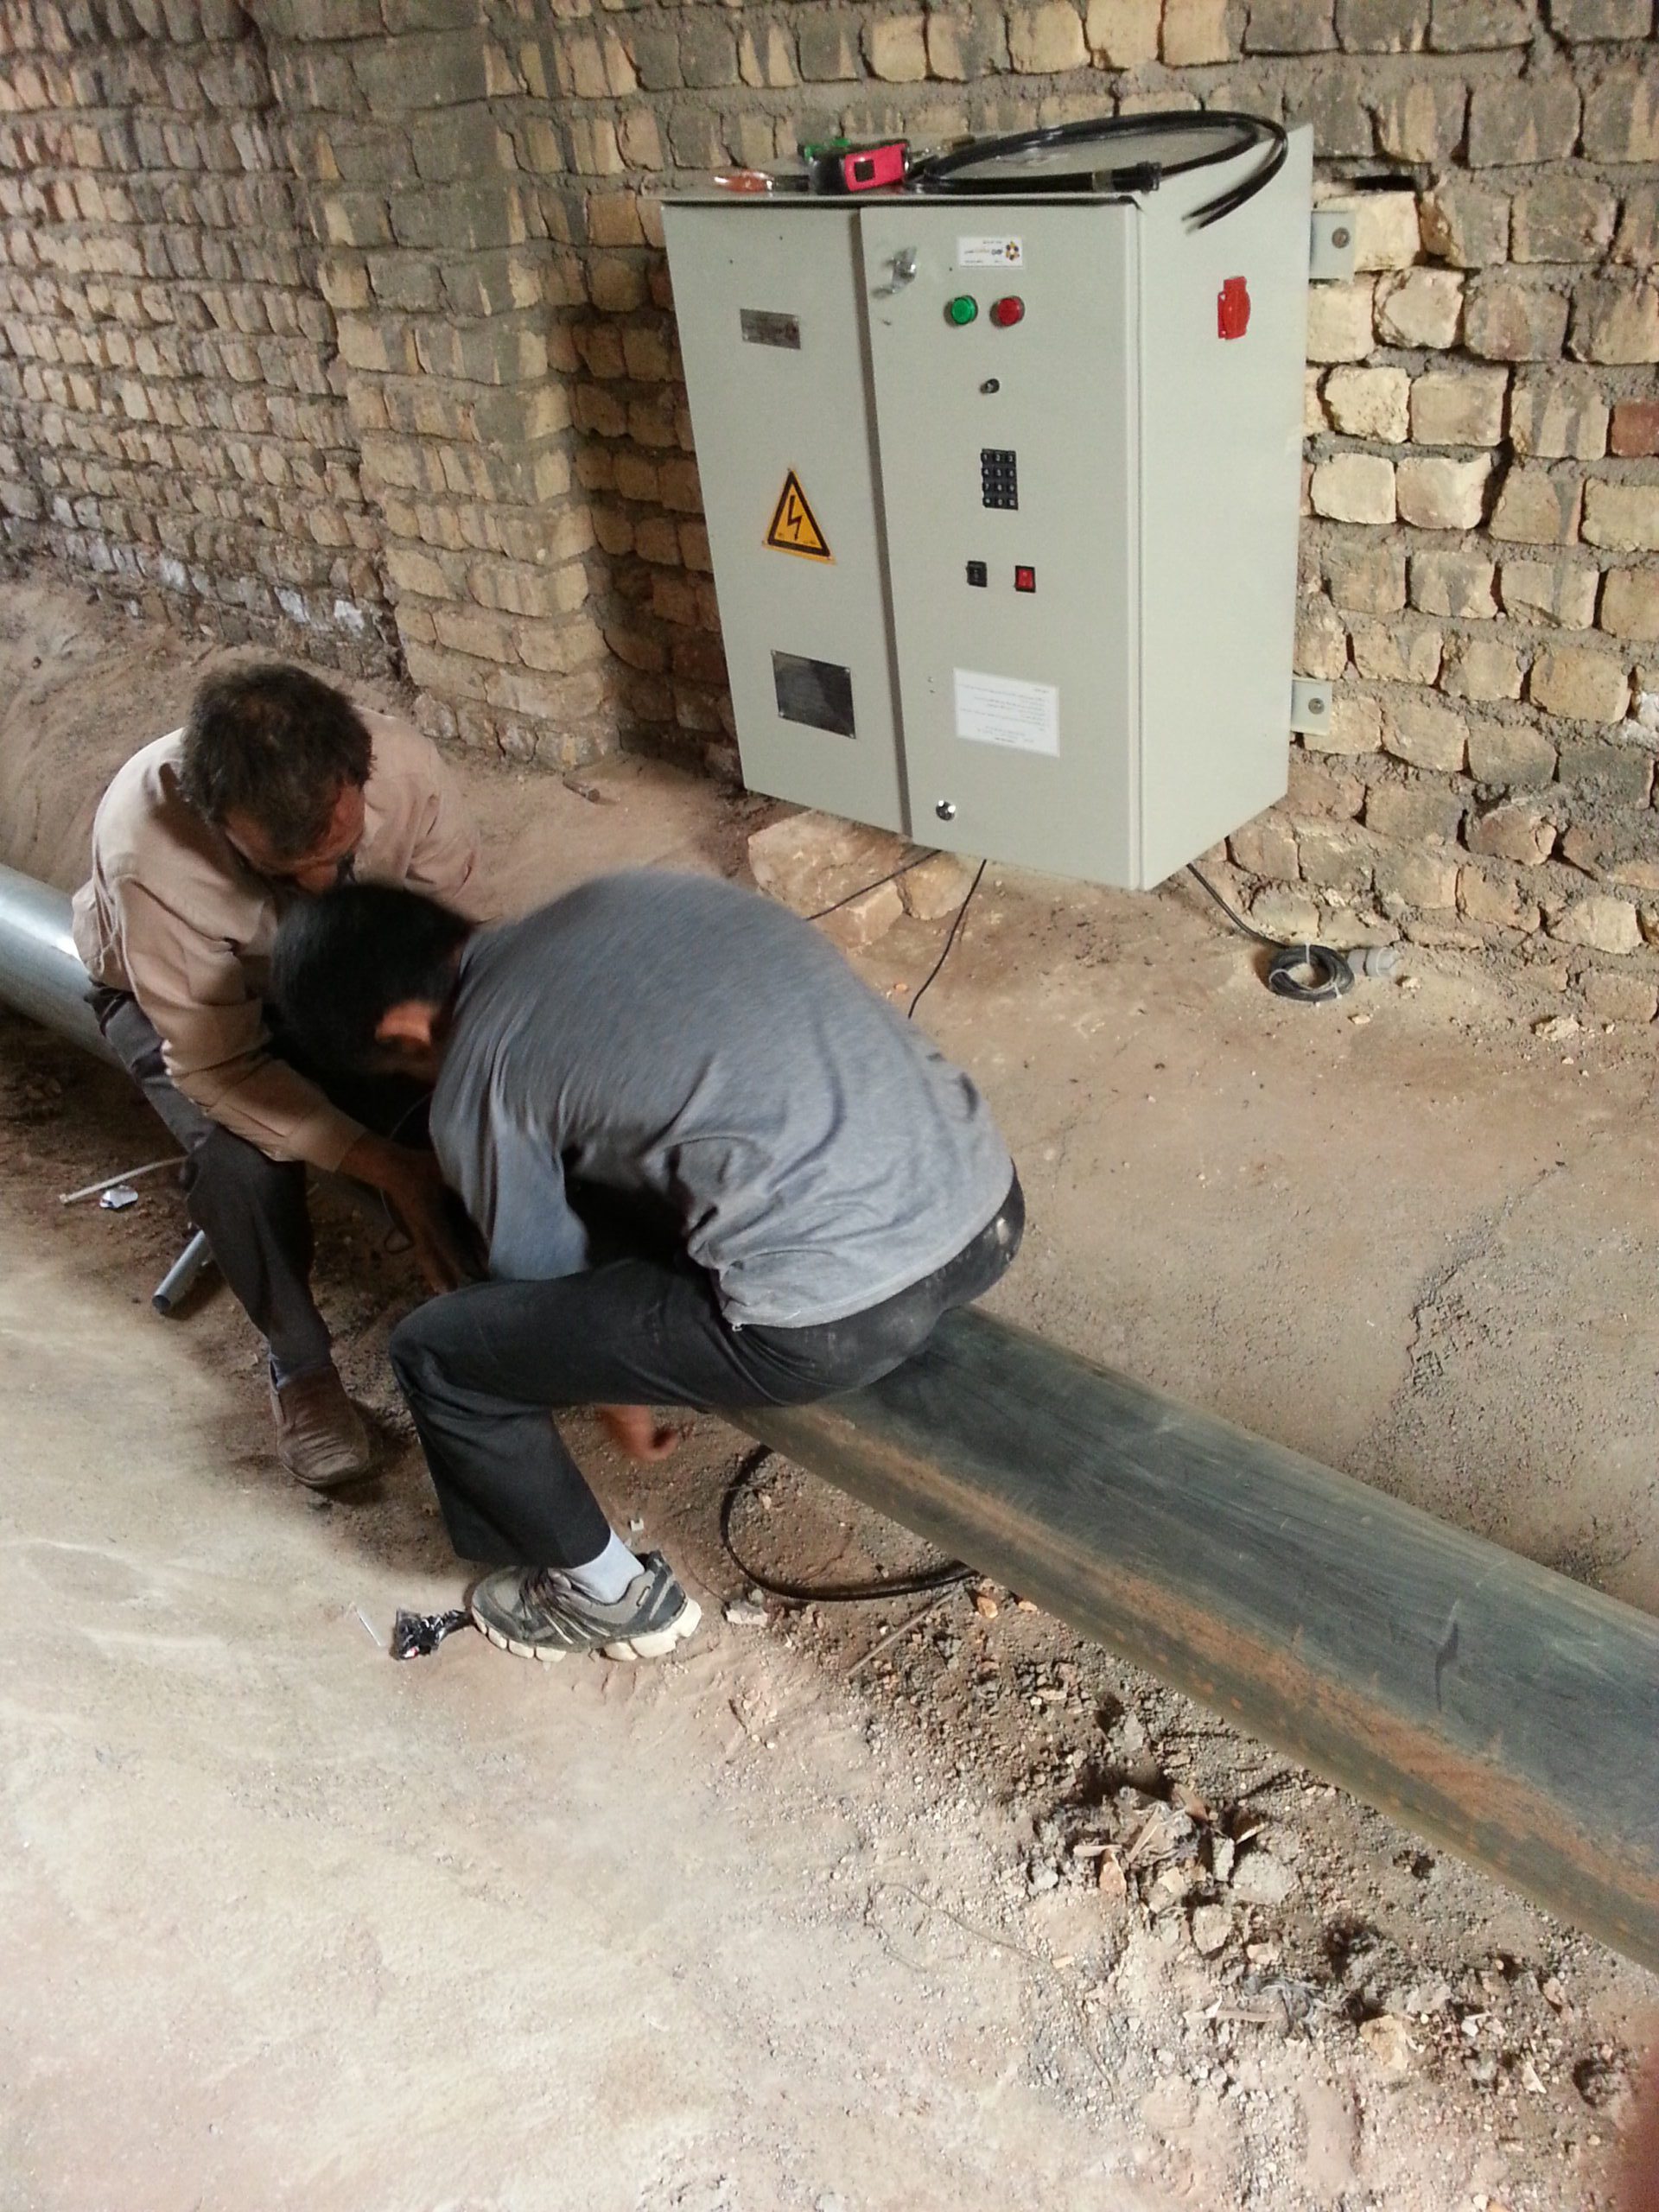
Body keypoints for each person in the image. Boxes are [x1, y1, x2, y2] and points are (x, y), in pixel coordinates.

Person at [270, 870, 1023, 1664]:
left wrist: (619, 1398)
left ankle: (602, 1592)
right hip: (986, 1203)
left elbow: (540, 1283)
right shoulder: (624, 896)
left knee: (438, 1355)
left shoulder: (477, 1074)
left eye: (401, 1071)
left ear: (402, 1031)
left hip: (833, 1319)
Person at [73, 662, 485, 1487]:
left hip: (334, 975)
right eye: (283, 871)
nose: (321, 885)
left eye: (340, 855)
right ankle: (300, 1368)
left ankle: (496, 1286)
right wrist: (389, 1168)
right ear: (215, 819)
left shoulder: (407, 772)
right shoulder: (147, 847)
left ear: (358, 771)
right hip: (187, 1008)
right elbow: (218, 1064)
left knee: (458, 1091)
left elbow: (455, 955)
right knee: (239, 1163)